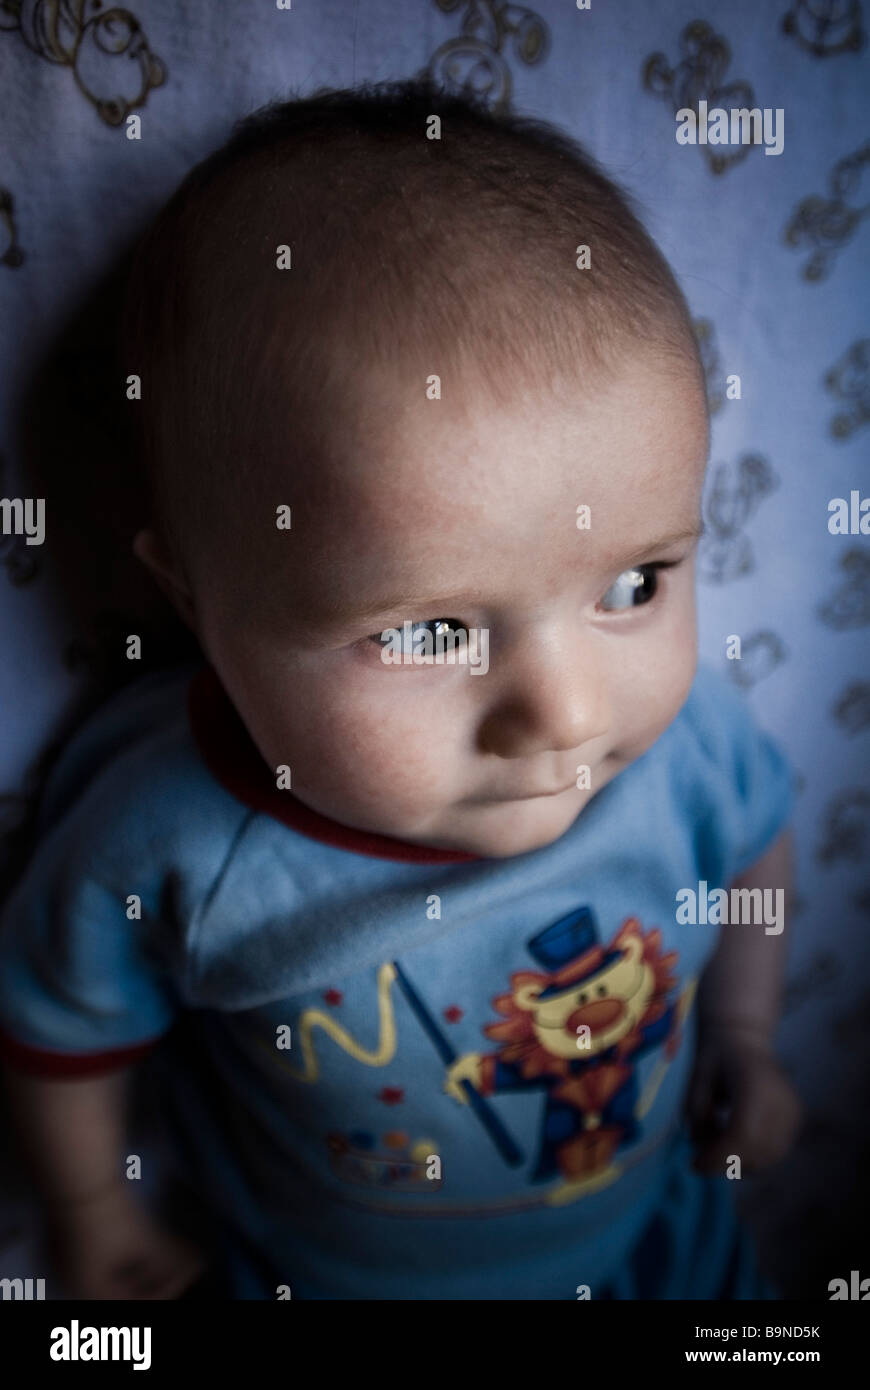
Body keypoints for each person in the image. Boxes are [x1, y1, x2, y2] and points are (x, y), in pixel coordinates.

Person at [0, 78, 802, 1300]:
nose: (572, 715)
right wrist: (92, 1207)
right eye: (429, 629)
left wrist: (744, 1032)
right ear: (198, 603)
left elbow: (755, 847)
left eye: (636, 584)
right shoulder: (166, 840)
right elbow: (61, 1021)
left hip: (663, 1248)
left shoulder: (684, 746)